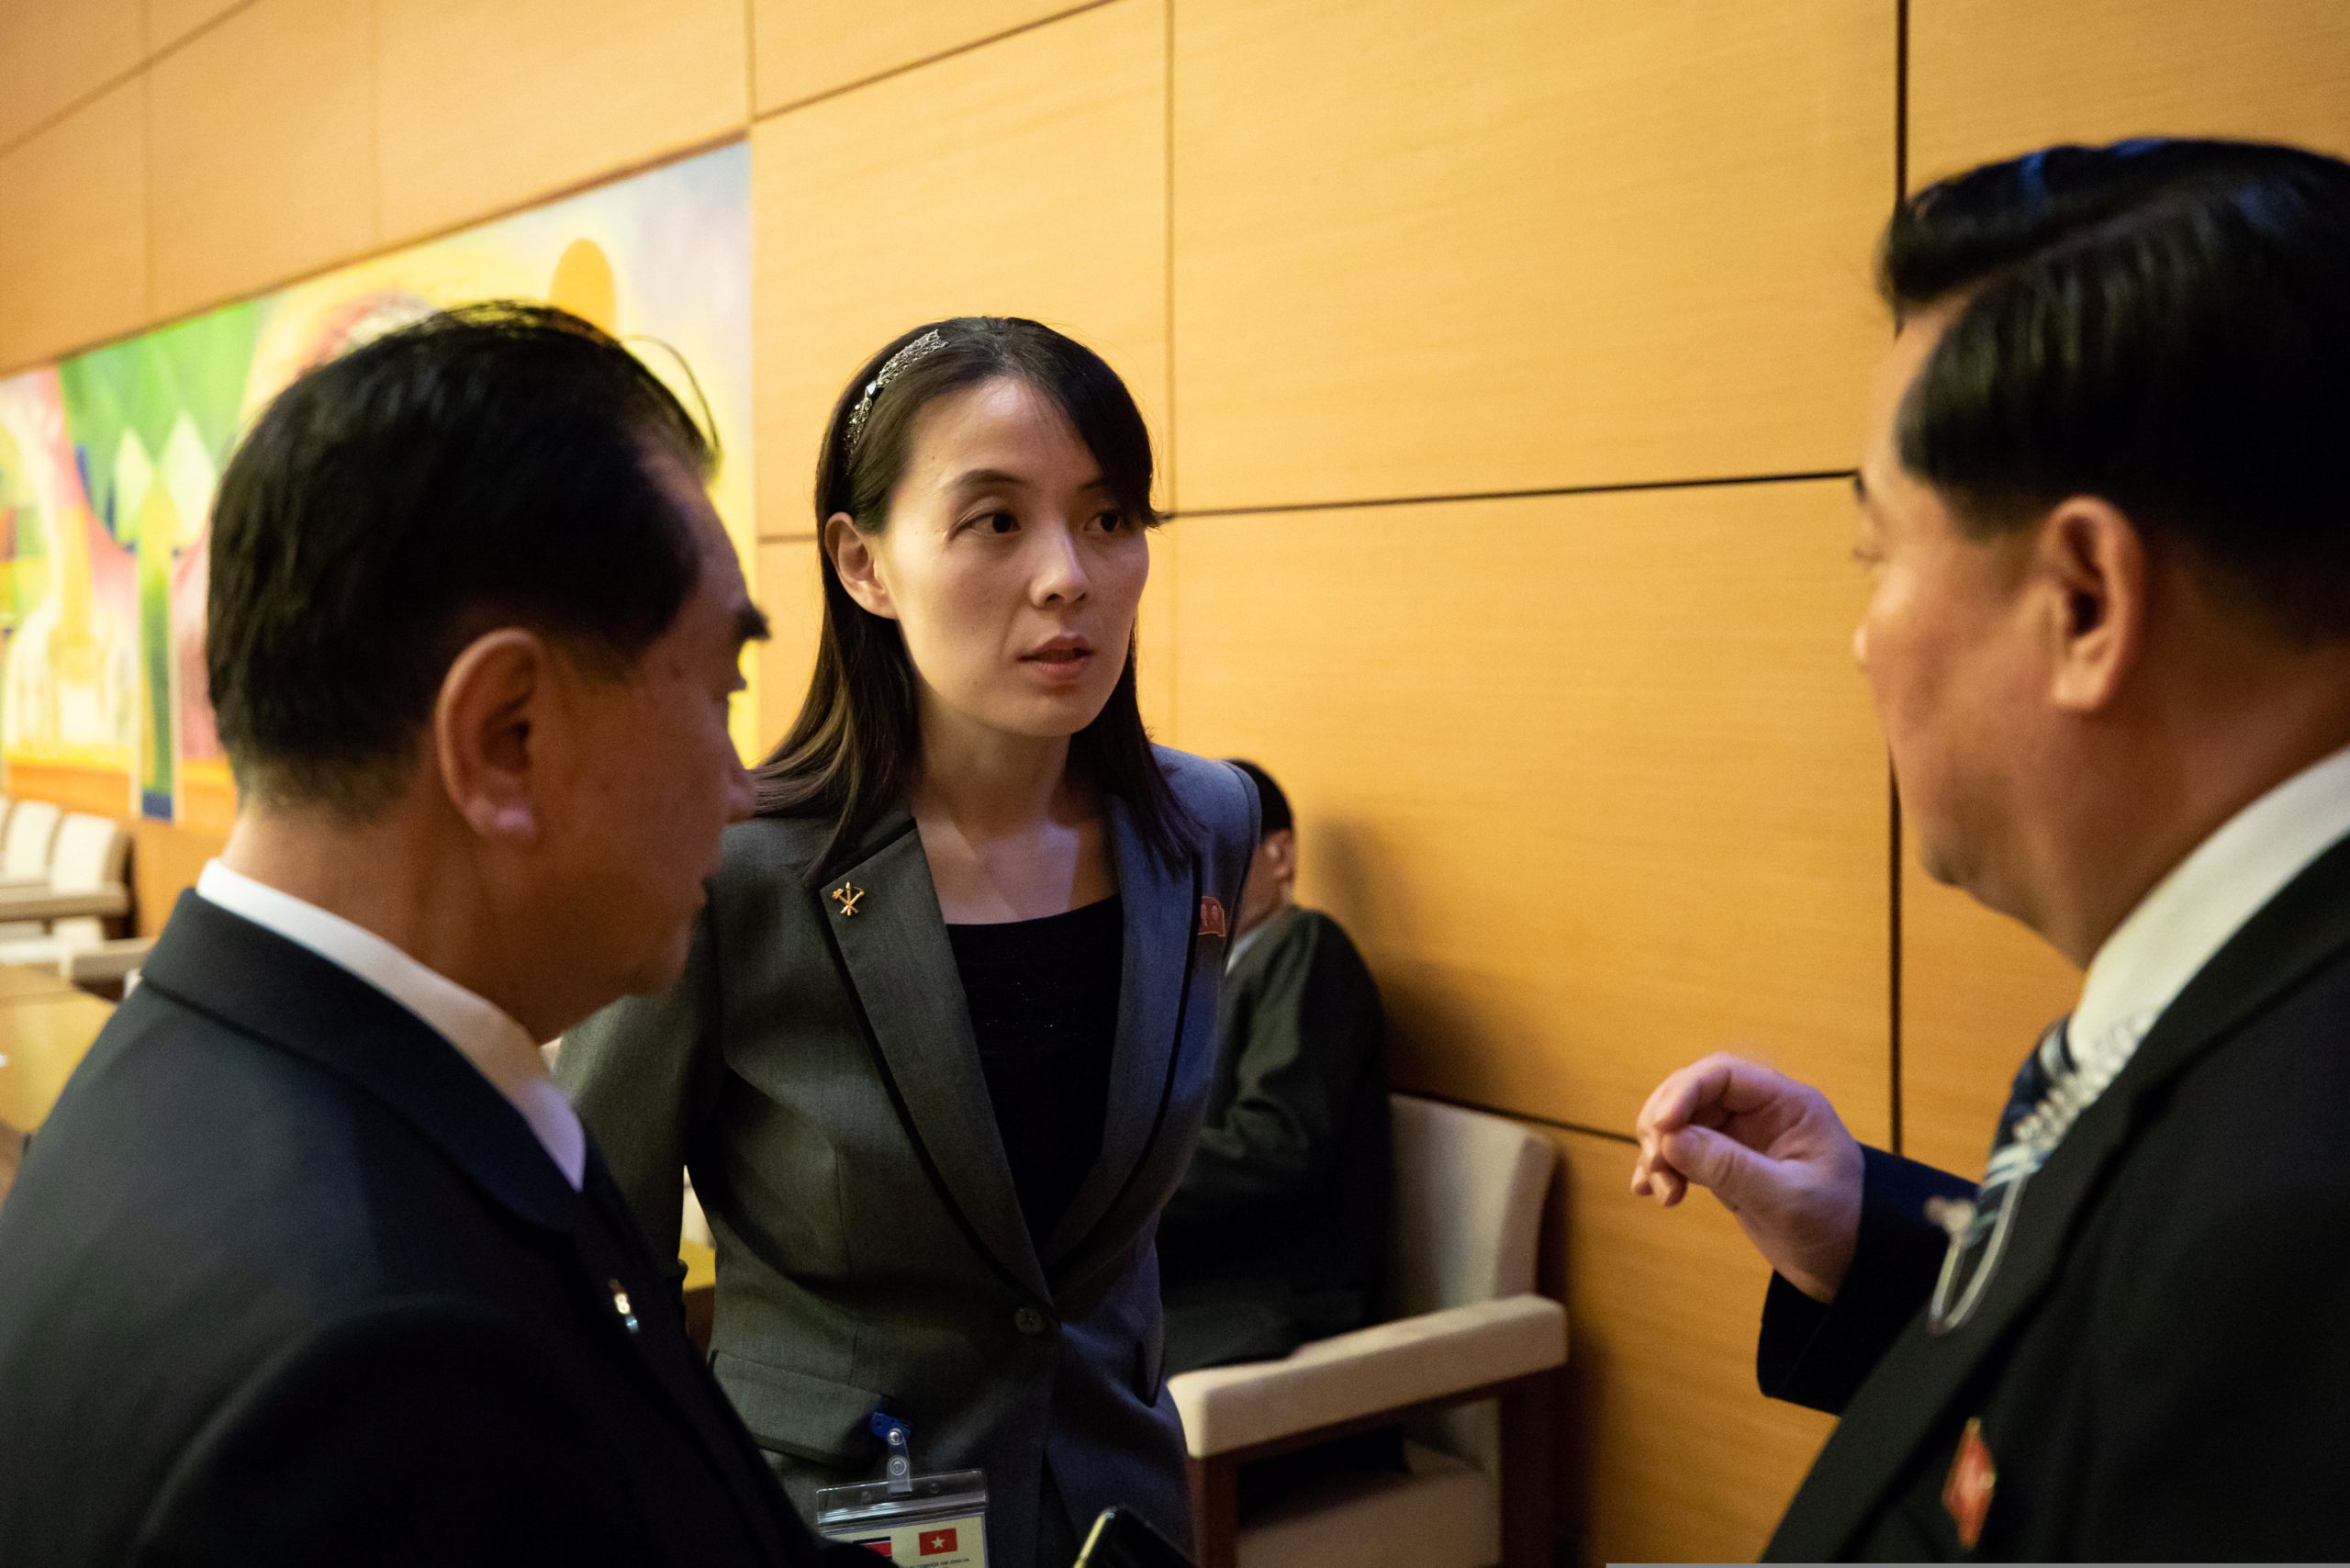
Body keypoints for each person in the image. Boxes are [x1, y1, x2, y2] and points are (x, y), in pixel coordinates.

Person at [0, 304, 861, 1566]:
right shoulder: (382, 1369)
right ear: (505, 738)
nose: (740, 786)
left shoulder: (215, 1073)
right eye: (723, 691)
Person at [1629, 140, 2350, 1560]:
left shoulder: (2305, 1214)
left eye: (1877, 557)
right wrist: (1872, 1240)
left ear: (2085, 600)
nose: (1862, 637)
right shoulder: (2243, 1001)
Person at [558, 317, 1259, 1567]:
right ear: (863, 563)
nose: (1069, 577)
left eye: (1109, 520)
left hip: (1121, 1512)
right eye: (996, 521)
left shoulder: (1203, 822)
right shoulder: (734, 865)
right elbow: (601, 1259)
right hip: (830, 1526)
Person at [1158, 758, 1390, 1377]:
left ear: (1279, 855)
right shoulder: (1204, 972)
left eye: (1211, 852)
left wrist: (1132, 1175)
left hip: (1275, 1285)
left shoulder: (1306, 947)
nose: (1190, 875)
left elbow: (1278, 1145)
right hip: (1195, 1266)